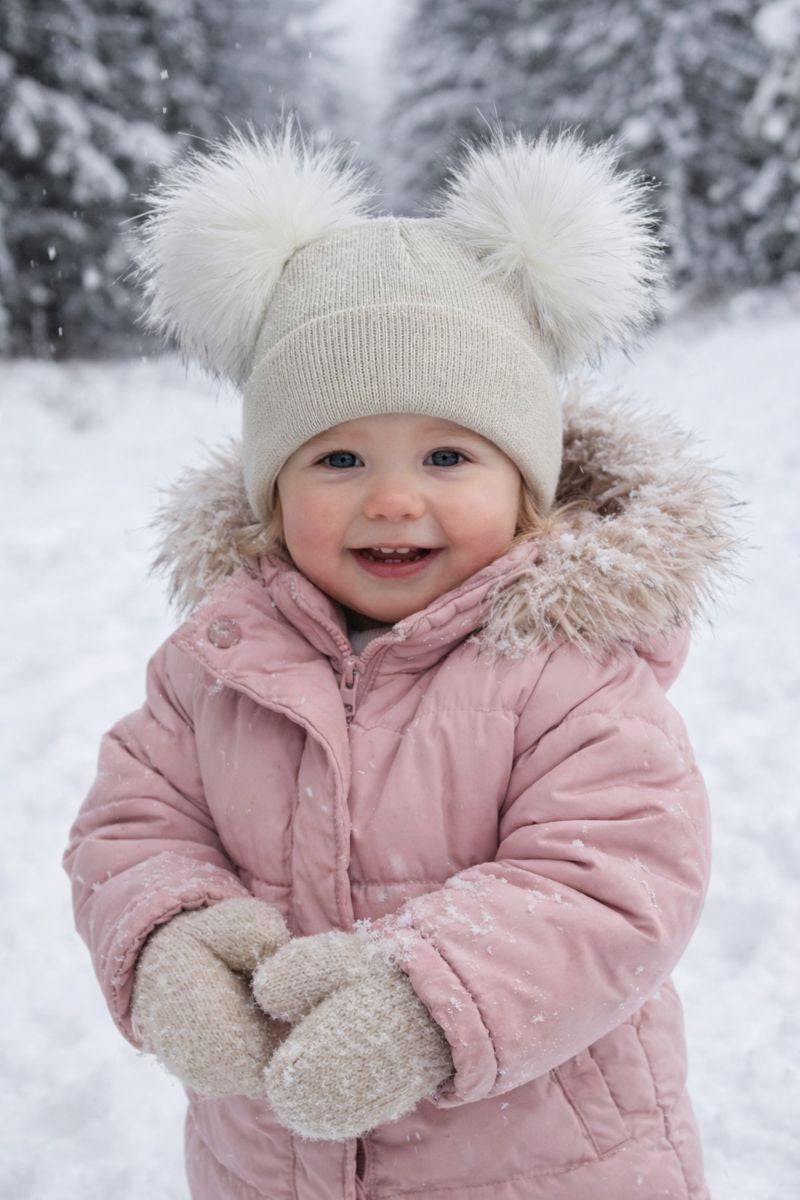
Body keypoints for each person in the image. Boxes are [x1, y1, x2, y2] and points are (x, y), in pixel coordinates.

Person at [63, 118, 737, 1200]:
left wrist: (425, 1000)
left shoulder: (569, 672)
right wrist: (168, 940)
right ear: (271, 492)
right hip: (273, 1167)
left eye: (445, 454)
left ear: (524, 488)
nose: (390, 496)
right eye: (335, 456)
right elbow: (131, 826)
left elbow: (615, 881)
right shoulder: (214, 664)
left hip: (544, 1167)